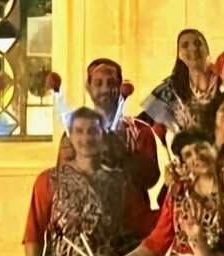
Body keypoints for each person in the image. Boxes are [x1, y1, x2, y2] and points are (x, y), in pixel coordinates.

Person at [23, 108, 153, 256]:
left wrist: (174, 193)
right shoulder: (49, 181)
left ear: (103, 136)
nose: (86, 138)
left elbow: (142, 227)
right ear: (70, 137)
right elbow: (33, 233)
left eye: (93, 131)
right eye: (79, 131)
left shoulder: (120, 182)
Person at [104, 130, 224, 256]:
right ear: (183, 163)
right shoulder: (179, 193)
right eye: (188, 155)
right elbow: (157, 241)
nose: (197, 157)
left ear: (214, 147)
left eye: (201, 148)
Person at [58, 59, 160, 196]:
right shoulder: (72, 135)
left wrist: (124, 158)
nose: (105, 89)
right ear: (89, 88)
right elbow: (63, 183)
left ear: (120, 86)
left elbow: (151, 178)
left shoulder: (141, 131)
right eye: (98, 83)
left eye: (111, 83)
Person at [140, 28, 219, 137]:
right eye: (185, 45)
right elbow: (140, 126)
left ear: (207, 49)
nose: (193, 48)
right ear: (179, 55)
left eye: (198, 43)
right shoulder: (168, 90)